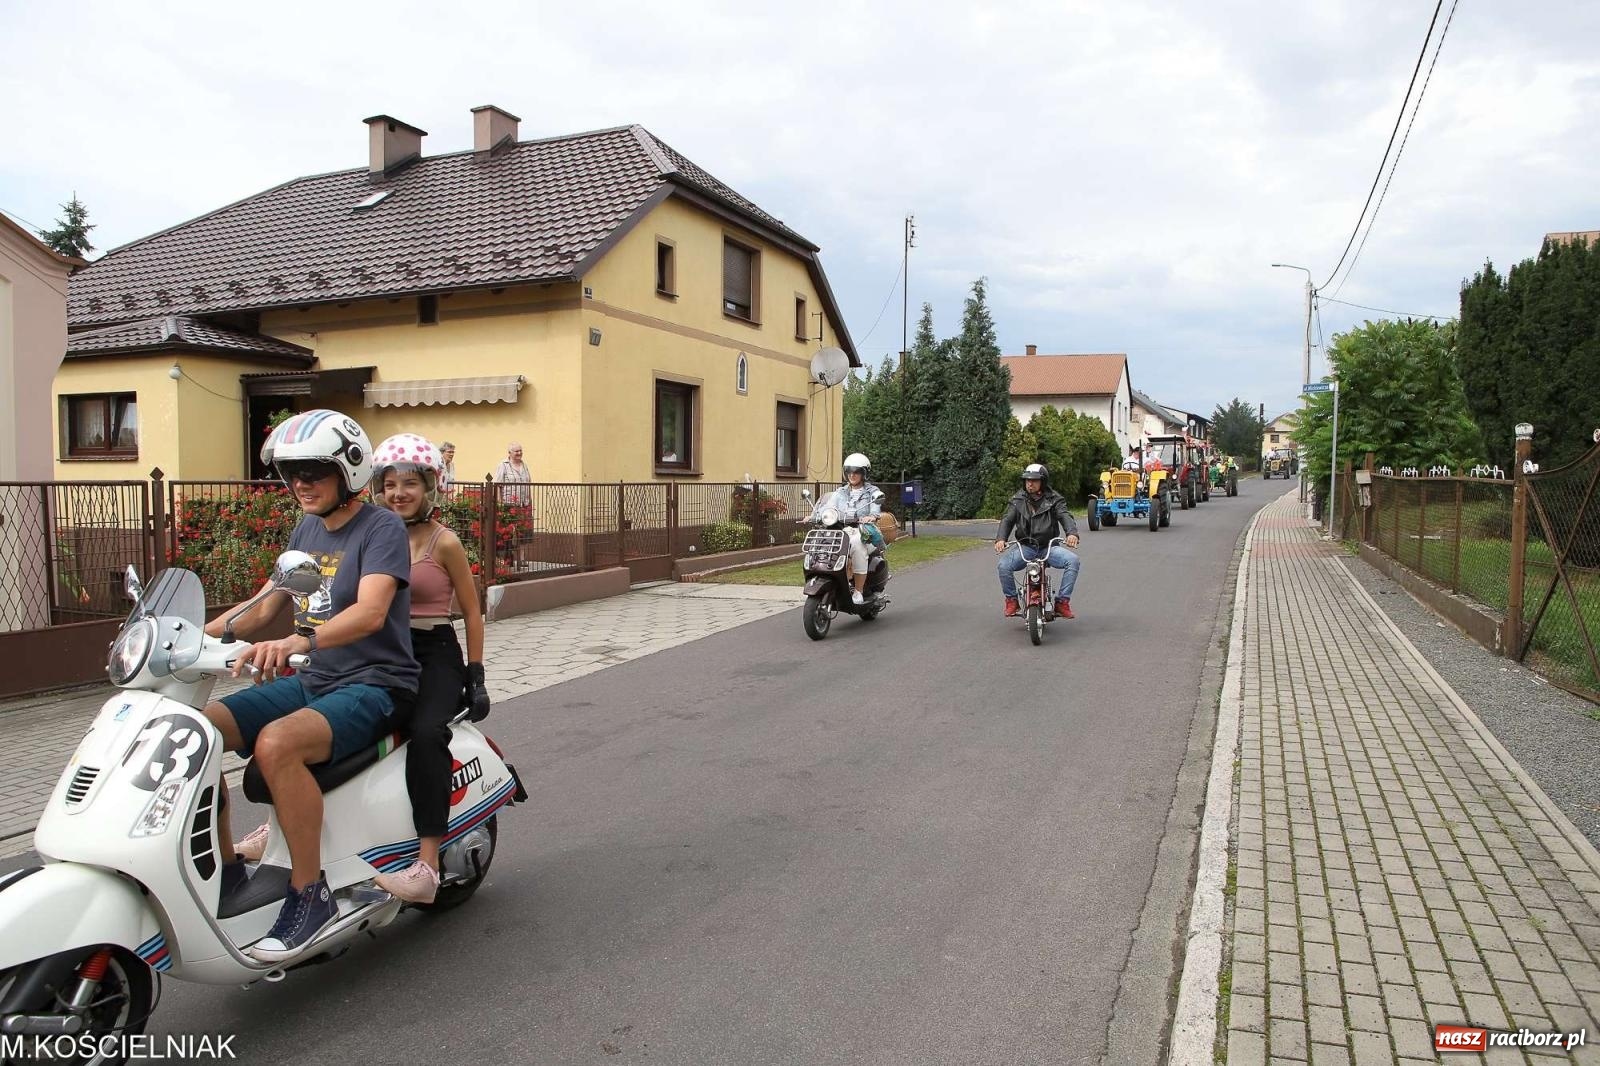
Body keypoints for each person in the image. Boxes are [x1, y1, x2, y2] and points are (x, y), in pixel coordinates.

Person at [206, 409, 419, 962]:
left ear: (349, 470)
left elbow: (372, 612)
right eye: (291, 472)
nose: (300, 483)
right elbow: (261, 608)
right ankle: (229, 873)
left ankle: (310, 892)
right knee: (199, 732)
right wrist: (181, 637)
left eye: (313, 471)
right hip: (318, 679)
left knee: (277, 743)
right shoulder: (305, 529)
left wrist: (303, 641)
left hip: (377, 683)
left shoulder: (382, 529)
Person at [367, 434, 491, 902]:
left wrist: (475, 675)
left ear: (430, 488)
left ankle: (427, 862)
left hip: (434, 652)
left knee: (425, 732)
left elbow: (473, 612)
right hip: (382, 649)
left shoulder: (445, 542)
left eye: (410, 484)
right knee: (337, 722)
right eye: (390, 484)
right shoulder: (373, 535)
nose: (399, 493)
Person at [994, 462, 1081, 619]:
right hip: (1025, 546)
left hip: (1049, 547)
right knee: (1003, 565)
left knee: (1073, 561)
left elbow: (1065, 515)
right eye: (1027, 480)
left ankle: (1062, 602)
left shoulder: (1055, 499)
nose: (1030, 483)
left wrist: (1072, 533)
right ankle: (1012, 600)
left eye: (1034, 480)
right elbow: (1007, 519)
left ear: (1043, 481)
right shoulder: (1017, 499)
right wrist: (1001, 539)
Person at [818, 452, 884, 606]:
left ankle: (859, 591)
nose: (852, 475)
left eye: (857, 472)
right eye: (849, 472)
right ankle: (837, 582)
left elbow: (876, 508)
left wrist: (872, 516)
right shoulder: (840, 492)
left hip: (864, 532)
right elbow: (828, 507)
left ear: (864, 473)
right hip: (842, 530)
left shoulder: (872, 492)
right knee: (827, 544)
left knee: (856, 545)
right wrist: (816, 515)